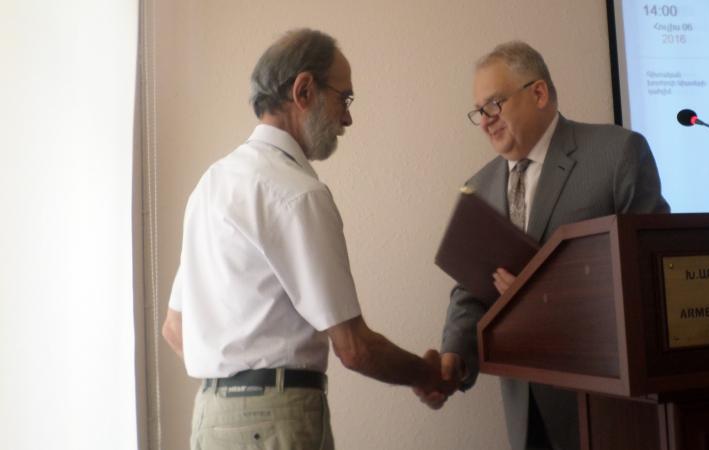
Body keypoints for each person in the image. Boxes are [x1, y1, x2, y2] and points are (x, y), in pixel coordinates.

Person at [162, 28, 453, 450]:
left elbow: (175, 329)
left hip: (210, 421)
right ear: (303, 91)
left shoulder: (210, 185)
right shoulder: (297, 193)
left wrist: (232, 386)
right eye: (344, 98)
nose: (347, 119)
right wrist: (427, 375)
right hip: (276, 422)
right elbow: (354, 349)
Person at [416, 41, 670, 450]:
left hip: (607, 408)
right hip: (525, 413)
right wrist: (453, 360)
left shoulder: (617, 154)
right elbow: (471, 290)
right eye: (479, 111)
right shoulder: (478, 188)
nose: (485, 121)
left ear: (538, 93)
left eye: (494, 105)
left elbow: (653, 273)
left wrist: (548, 299)